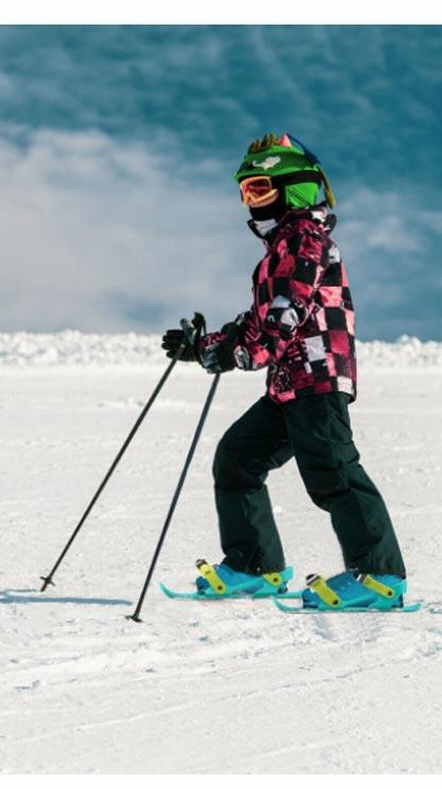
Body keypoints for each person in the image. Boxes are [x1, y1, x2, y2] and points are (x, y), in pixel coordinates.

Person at [162, 132, 407, 610]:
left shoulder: (304, 238)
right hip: (289, 384)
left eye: (259, 188)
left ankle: (380, 575)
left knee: (333, 470)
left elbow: (284, 314)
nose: (250, 201)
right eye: (245, 192)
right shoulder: (282, 244)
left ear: (293, 187)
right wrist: (205, 346)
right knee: (237, 458)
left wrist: (237, 354)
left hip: (316, 376)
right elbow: (259, 320)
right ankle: (256, 566)